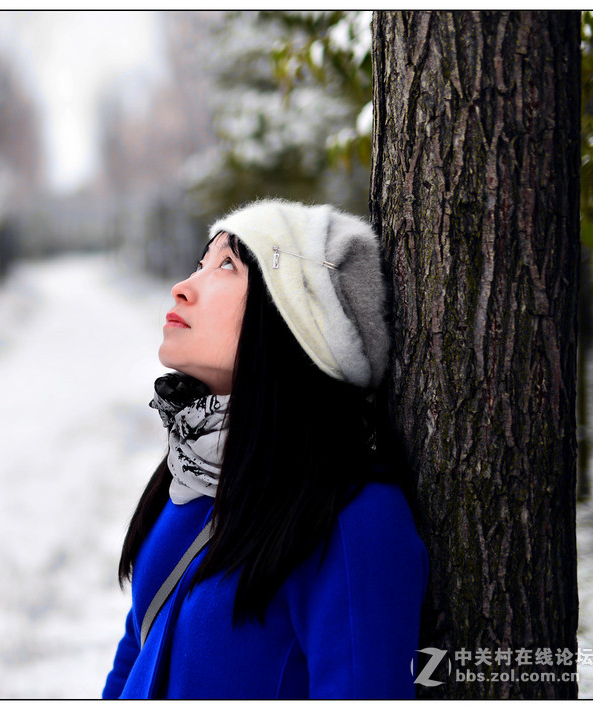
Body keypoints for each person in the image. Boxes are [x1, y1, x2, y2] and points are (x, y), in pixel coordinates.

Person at [102, 199, 428, 699]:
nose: (183, 287)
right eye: (200, 264)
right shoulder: (196, 471)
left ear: (296, 322)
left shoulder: (351, 518)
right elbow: (138, 650)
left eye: (226, 266)